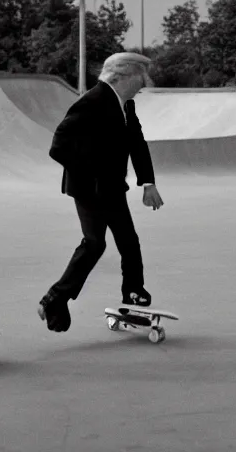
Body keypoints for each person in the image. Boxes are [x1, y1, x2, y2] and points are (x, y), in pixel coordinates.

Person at [38, 52, 165, 333]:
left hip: (111, 188)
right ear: (122, 77)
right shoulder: (93, 101)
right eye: (140, 79)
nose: (143, 85)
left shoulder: (125, 105)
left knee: (129, 241)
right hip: (89, 188)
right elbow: (59, 146)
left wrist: (148, 182)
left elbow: (137, 142)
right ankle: (55, 298)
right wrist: (92, 176)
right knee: (95, 243)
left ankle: (133, 292)